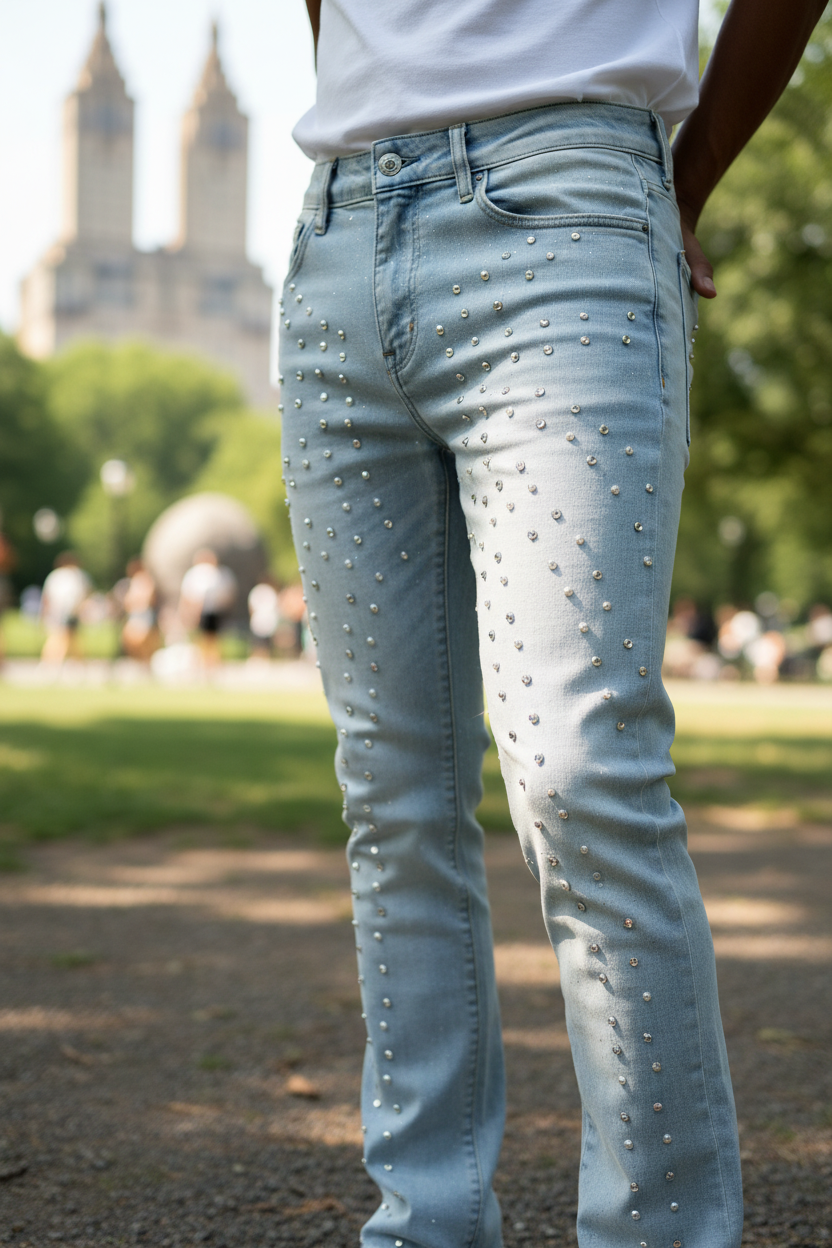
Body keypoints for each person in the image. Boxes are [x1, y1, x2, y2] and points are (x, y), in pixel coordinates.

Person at [281, 3, 826, 1245]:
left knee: (583, 772)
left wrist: (677, 182)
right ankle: (422, 1222)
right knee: (393, 793)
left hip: (570, 200)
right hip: (338, 227)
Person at [178, 548, 237, 668]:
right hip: (201, 611)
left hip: (212, 611)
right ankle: (202, 665)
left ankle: (210, 664)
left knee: (211, 640)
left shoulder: (216, 573)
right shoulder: (199, 574)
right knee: (201, 640)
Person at [40, 551, 91, 663]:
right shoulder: (75, 576)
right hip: (64, 611)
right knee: (63, 637)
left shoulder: (59, 576)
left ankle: (70, 662)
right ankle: (54, 661)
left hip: (65, 611)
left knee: (68, 638)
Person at [120, 558, 161, 663]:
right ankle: (140, 659)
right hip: (135, 613)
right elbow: (129, 600)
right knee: (130, 639)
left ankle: (145, 660)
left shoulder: (146, 580)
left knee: (144, 640)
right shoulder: (136, 580)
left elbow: (149, 598)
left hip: (144, 613)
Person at [247, 576, 281, 659]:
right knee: (265, 643)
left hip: (258, 619)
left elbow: (251, 607)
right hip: (269, 620)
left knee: (258, 643)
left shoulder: (256, 591)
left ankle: (257, 657)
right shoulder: (271, 591)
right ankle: (265, 657)